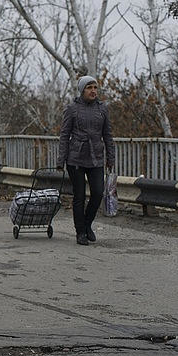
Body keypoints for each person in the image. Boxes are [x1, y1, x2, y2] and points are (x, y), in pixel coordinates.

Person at [57, 75, 115, 245]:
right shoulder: (72, 109)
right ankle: (80, 232)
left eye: (95, 87)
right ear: (82, 90)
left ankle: (87, 224)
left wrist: (110, 157)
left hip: (96, 157)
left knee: (98, 193)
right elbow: (64, 135)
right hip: (75, 158)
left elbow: (108, 135)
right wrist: (61, 160)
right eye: (89, 88)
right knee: (79, 196)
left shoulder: (102, 109)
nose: (93, 91)